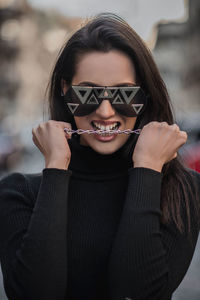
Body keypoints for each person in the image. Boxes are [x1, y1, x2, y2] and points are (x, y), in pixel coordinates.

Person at [0, 12, 200, 300]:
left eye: (123, 95)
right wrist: (55, 167)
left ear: (145, 95)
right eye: (87, 94)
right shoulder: (17, 192)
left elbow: (138, 293)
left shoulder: (183, 191)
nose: (105, 111)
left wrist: (147, 168)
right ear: (65, 90)